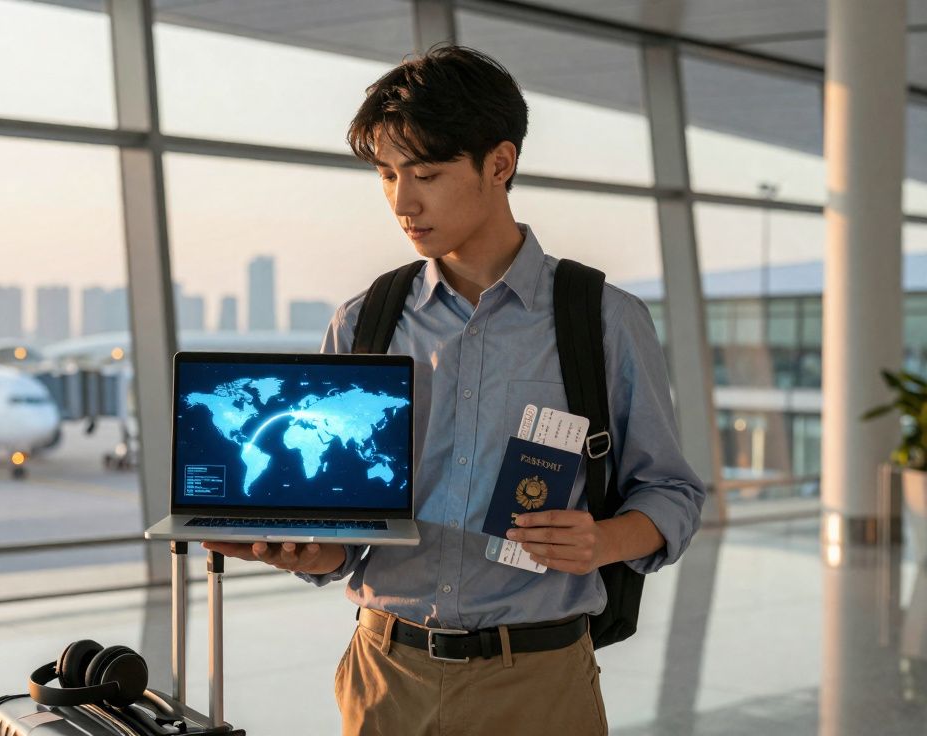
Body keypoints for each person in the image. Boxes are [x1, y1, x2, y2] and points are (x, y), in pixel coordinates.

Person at [202, 45, 706, 736]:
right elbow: (344, 531)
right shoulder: (365, 322)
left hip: (537, 682)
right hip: (386, 675)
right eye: (387, 175)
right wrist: (313, 553)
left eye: (426, 174)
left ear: (499, 164)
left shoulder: (602, 320)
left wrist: (603, 540)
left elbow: (672, 492)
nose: (402, 202)